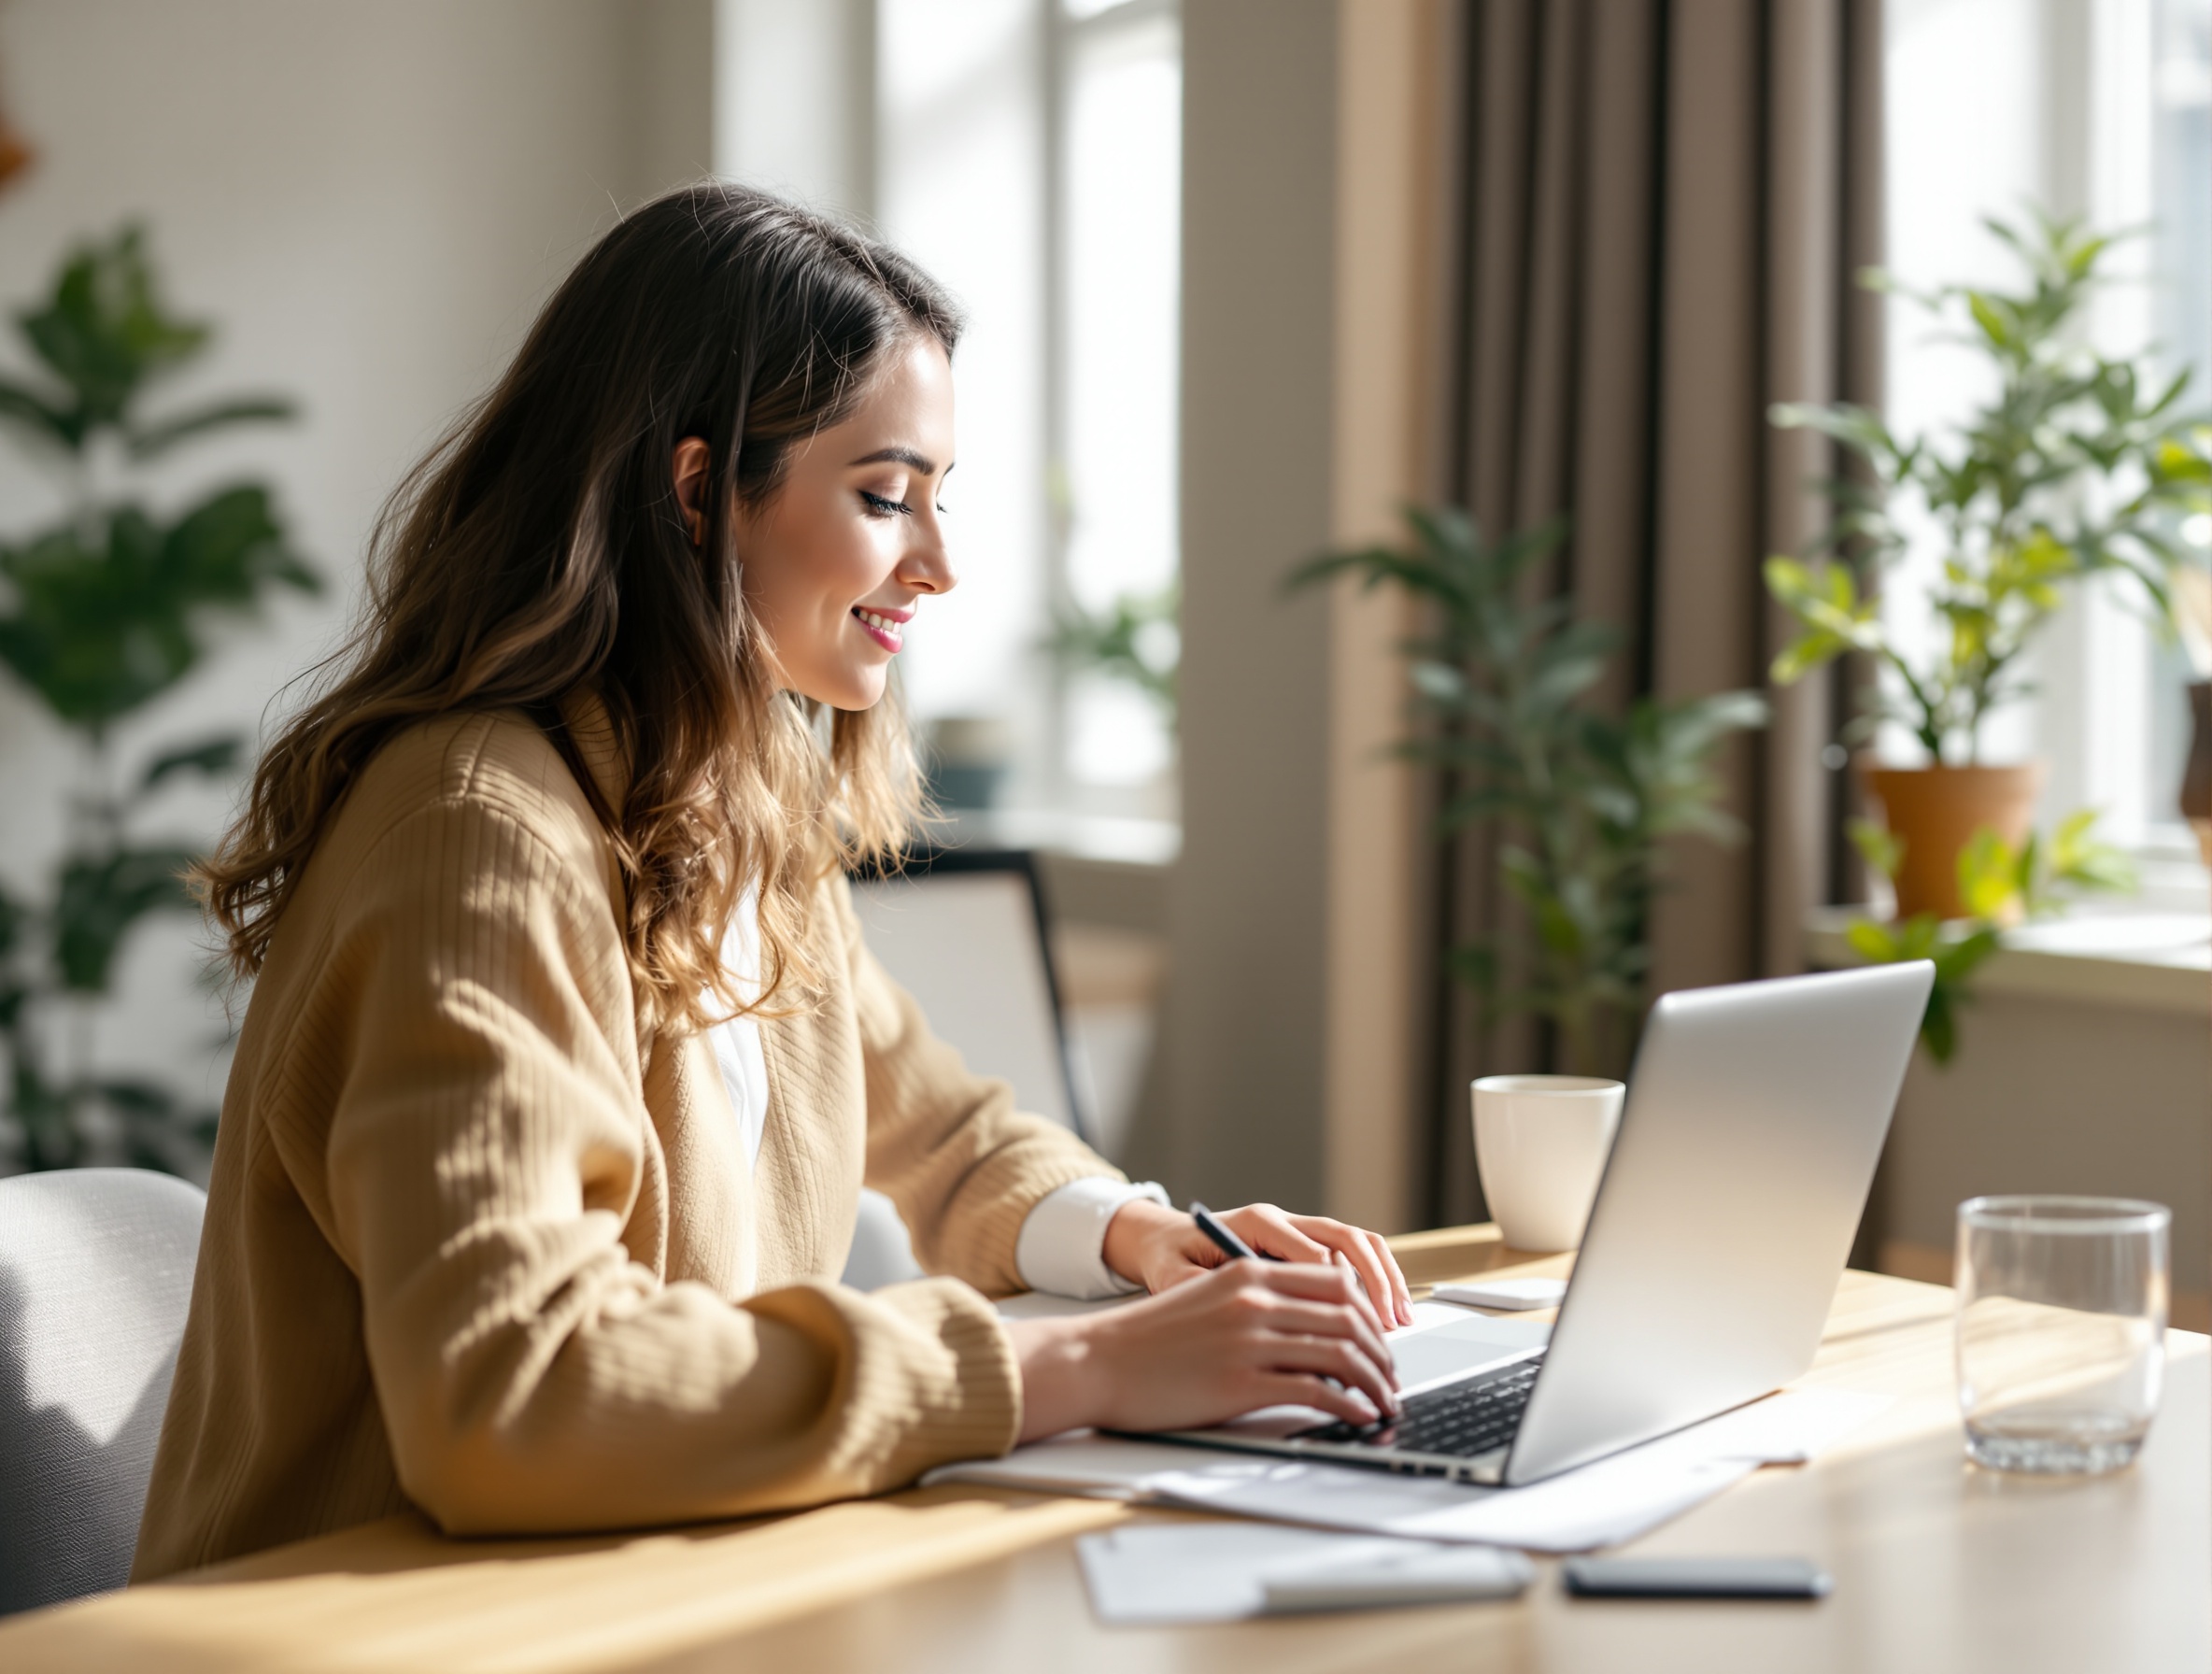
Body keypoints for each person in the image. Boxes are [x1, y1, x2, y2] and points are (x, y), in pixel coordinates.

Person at [133, 184, 1408, 1582]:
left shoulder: (728, 805)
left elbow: (936, 1131)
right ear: (697, 492)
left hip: (651, 1589)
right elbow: (520, 1391)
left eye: (937, 499)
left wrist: (1152, 1243)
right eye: (883, 496)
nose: (938, 563)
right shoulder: (479, 828)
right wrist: (1083, 1369)